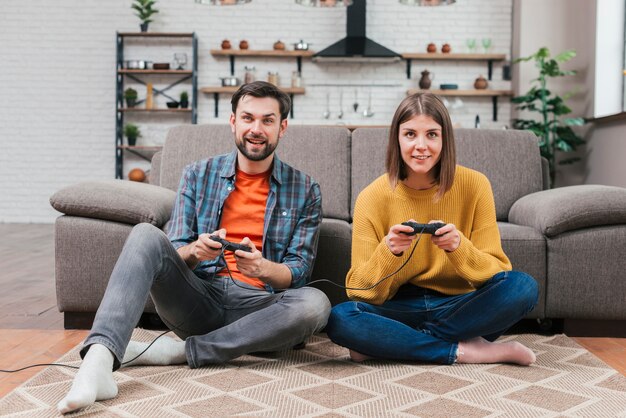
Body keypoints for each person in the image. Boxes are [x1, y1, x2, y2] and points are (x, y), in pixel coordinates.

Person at [58, 81, 331, 414]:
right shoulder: (197, 174)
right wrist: (195, 252)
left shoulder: (305, 189)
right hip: (198, 298)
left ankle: (179, 352)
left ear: (282, 127)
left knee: (316, 303)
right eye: (247, 118)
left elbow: (299, 272)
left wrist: (263, 268)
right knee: (146, 234)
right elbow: (172, 252)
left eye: (267, 120)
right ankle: (99, 363)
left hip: (261, 313)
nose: (256, 129)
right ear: (233, 121)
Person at [326, 93, 539, 366]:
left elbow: (497, 271)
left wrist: (458, 248)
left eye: (432, 135)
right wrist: (388, 252)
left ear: (445, 139)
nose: (421, 146)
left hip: (460, 306)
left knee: (523, 286)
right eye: (410, 134)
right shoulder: (372, 196)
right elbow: (359, 290)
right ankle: (466, 351)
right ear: (397, 139)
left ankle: (396, 344)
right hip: (400, 306)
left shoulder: (475, 185)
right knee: (341, 317)